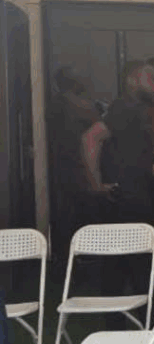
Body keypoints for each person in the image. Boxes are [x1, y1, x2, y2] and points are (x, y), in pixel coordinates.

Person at [81, 62, 154, 306]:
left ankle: (135, 320)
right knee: (130, 264)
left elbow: (126, 151)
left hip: (135, 192)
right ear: (132, 80)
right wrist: (95, 184)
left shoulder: (136, 109)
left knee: (128, 264)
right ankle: (139, 320)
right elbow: (91, 137)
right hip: (127, 197)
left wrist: (148, 169)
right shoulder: (125, 108)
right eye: (150, 79)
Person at [48, 66, 101, 277]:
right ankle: (79, 260)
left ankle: (66, 261)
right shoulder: (76, 104)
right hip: (77, 166)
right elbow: (96, 120)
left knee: (66, 214)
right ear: (74, 82)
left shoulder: (54, 104)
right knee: (78, 213)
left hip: (61, 167)